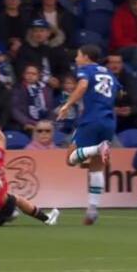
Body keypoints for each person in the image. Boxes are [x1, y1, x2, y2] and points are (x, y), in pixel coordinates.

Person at [57, 45, 120, 225]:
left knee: (70, 158)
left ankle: (97, 148)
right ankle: (92, 210)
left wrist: (67, 105)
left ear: (86, 57)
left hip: (91, 119)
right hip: (109, 121)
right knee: (96, 165)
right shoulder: (109, 73)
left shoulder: (85, 70)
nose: (76, 59)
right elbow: (119, 92)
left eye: (78, 56)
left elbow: (83, 85)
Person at [14, 18, 70, 88]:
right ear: (32, 33)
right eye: (35, 31)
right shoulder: (24, 50)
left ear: (48, 33)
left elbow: (65, 69)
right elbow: (21, 70)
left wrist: (58, 79)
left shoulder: (57, 49)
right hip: (32, 86)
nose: (39, 34)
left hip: (56, 86)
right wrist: (45, 79)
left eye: (42, 31)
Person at [105, 53, 137, 132]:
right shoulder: (100, 79)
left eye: (118, 62)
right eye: (112, 62)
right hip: (107, 113)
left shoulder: (131, 79)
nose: (115, 65)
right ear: (106, 65)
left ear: (122, 64)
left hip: (128, 113)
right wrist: (112, 110)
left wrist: (131, 110)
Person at [11, 65, 55, 133]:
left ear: (39, 76)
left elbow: (51, 109)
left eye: (33, 74)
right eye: (28, 73)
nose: (30, 76)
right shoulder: (18, 89)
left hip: (45, 124)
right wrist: (27, 122)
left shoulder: (46, 89)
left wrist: (48, 122)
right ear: (23, 75)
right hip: (26, 125)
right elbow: (15, 110)